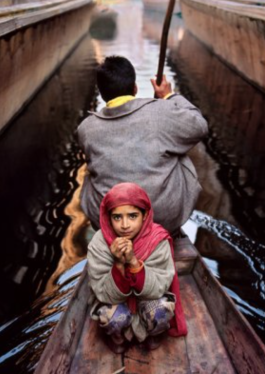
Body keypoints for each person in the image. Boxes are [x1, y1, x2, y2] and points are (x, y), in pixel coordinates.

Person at [77, 55, 208, 236]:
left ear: (101, 93)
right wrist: (169, 96)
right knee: (179, 146)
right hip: (162, 218)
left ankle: (116, 229)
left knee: (89, 172)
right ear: (135, 88)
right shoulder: (162, 111)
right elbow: (199, 126)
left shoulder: (86, 129)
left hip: (110, 222)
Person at [87, 182, 187, 353]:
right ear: (108, 218)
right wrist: (118, 263)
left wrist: (133, 262)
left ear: (145, 215)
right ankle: (117, 336)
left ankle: (153, 332)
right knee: (109, 315)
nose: (125, 225)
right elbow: (103, 293)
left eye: (132, 216)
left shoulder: (158, 240)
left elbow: (158, 288)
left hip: (147, 301)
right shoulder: (99, 243)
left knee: (162, 308)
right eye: (117, 217)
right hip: (117, 303)